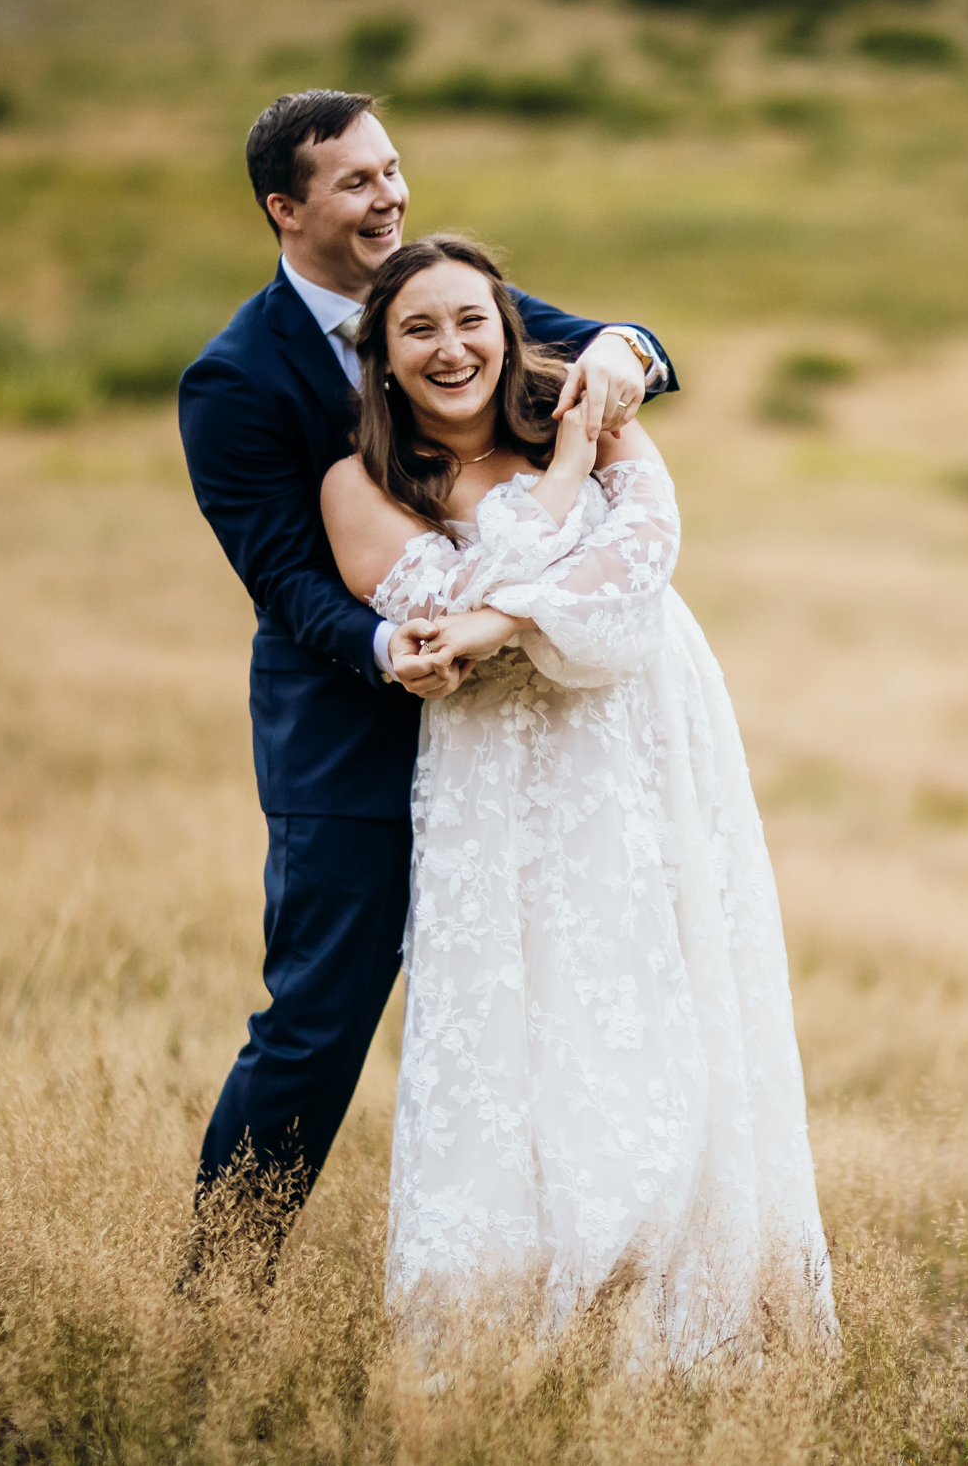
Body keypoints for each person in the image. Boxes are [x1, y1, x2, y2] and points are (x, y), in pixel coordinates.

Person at [176, 91, 671, 1273]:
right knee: (314, 1025)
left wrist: (623, 345)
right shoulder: (235, 378)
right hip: (351, 739)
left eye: (393, 170)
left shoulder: (439, 299)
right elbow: (285, 579)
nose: (389, 196)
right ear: (283, 208)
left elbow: (618, 346)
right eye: (356, 181)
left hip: (521, 741)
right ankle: (217, 1286)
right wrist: (387, 651)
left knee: (551, 1006)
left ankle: (558, 1272)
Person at [318, 235, 835, 1362]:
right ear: (383, 359)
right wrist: (558, 481)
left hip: (641, 733)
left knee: (660, 981)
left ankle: (682, 1292)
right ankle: (514, 1310)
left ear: (507, 329)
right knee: (522, 1002)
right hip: (495, 766)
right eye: (419, 330)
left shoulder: (587, 402)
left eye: (472, 321)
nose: (452, 348)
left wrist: (506, 619)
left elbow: (646, 549)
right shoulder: (358, 486)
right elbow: (433, 601)